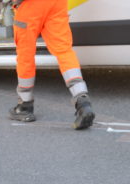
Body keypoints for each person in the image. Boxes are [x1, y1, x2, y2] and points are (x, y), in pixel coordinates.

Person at [7, 0, 95, 129]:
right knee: (64, 50)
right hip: (56, 3)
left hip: (31, 5)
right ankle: (82, 100)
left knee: (25, 54)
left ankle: (25, 105)